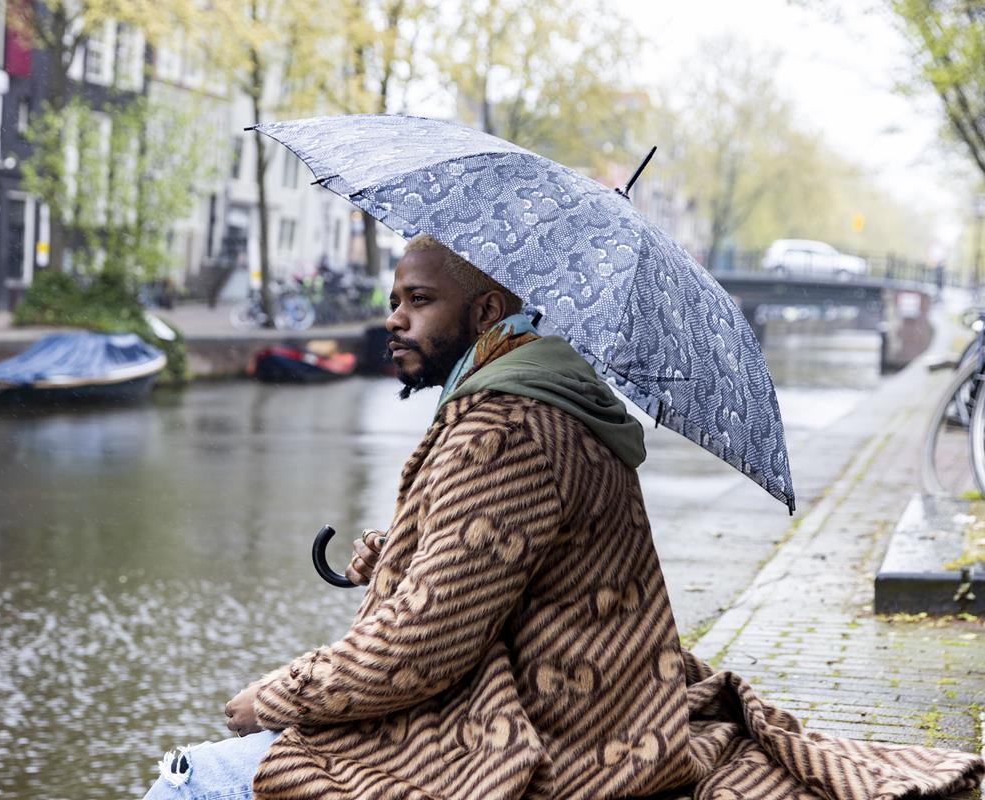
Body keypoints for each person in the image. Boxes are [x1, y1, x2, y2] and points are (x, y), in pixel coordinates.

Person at [142, 235, 984, 800]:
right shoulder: (548, 406)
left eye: (418, 300)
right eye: (393, 297)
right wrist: (401, 548)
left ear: (481, 315)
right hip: (596, 705)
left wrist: (277, 696)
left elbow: (420, 645)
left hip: (539, 740)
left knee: (190, 779)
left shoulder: (505, 428)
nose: (392, 318)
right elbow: (500, 558)